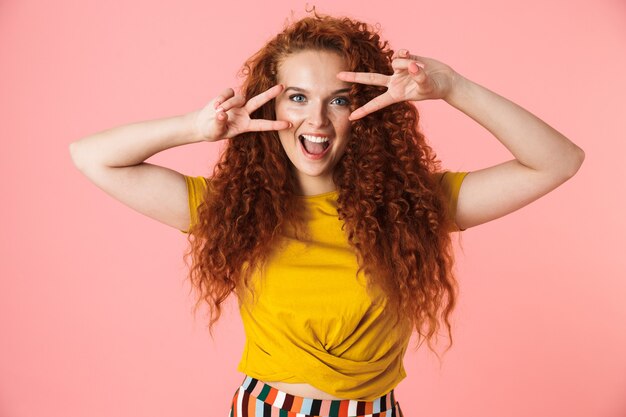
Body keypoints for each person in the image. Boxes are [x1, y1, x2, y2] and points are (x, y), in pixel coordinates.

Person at [69, 9, 584, 417]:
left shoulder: (413, 209)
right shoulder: (230, 209)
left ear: (364, 112)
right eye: (297, 97)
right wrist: (196, 127)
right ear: (272, 107)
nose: (315, 120)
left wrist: (454, 88)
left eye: (338, 100)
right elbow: (91, 156)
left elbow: (558, 162)